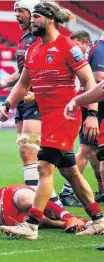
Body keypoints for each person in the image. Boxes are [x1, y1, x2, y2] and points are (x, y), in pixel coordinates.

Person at [0, 1, 103, 239]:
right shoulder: (33, 49)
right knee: (71, 173)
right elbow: (23, 84)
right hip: (48, 118)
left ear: (51, 19)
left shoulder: (68, 47)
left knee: (43, 166)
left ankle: (31, 225)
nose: (31, 20)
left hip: (65, 116)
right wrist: (7, 104)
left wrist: (93, 115)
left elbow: (89, 82)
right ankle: (98, 219)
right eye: (31, 16)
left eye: (37, 16)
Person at [0, 0, 61, 206]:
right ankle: (50, 202)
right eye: (15, 11)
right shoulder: (25, 39)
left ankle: (44, 206)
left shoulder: (43, 38)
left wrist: (37, 93)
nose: (16, 15)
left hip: (39, 100)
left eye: (20, 11)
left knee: (31, 151)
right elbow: (23, 73)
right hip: (24, 99)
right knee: (27, 153)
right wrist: (2, 84)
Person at [60, 30, 104, 204]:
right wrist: (92, 114)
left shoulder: (95, 48)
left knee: (94, 151)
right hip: (93, 107)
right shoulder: (100, 49)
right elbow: (98, 78)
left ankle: (100, 189)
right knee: (86, 150)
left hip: (92, 106)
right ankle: (67, 192)